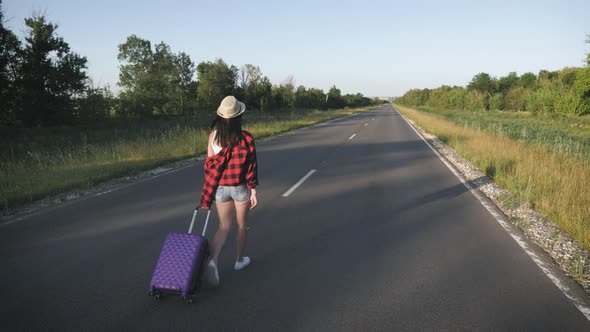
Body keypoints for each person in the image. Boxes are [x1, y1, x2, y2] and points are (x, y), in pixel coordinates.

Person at [200, 96, 258, 286]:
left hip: (220, 189)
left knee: (224, 226)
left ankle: (213, 261)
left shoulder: (213, 136)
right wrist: (253, 191)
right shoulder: (246, 137)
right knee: (242, 225)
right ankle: (239, 261)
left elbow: (210, 166)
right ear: (238, 116)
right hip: (240, 187)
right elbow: (251, 167)